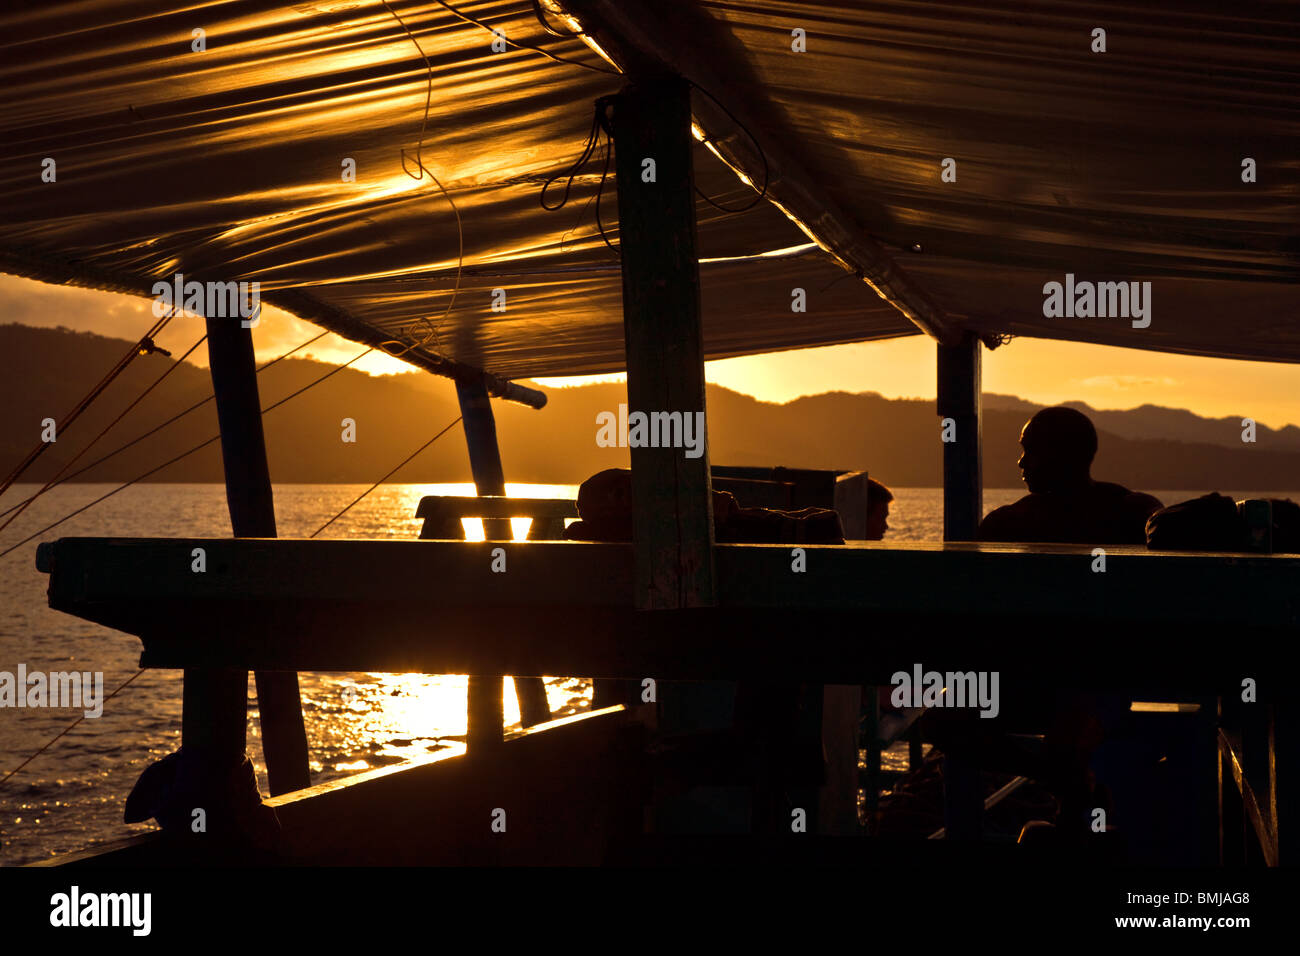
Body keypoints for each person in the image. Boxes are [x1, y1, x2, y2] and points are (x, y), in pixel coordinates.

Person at [979, 406, 1163, 544]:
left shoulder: (1007, 523)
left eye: (1032, 450)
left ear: (1065, 453)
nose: (1021, 462)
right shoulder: (1137, 512)